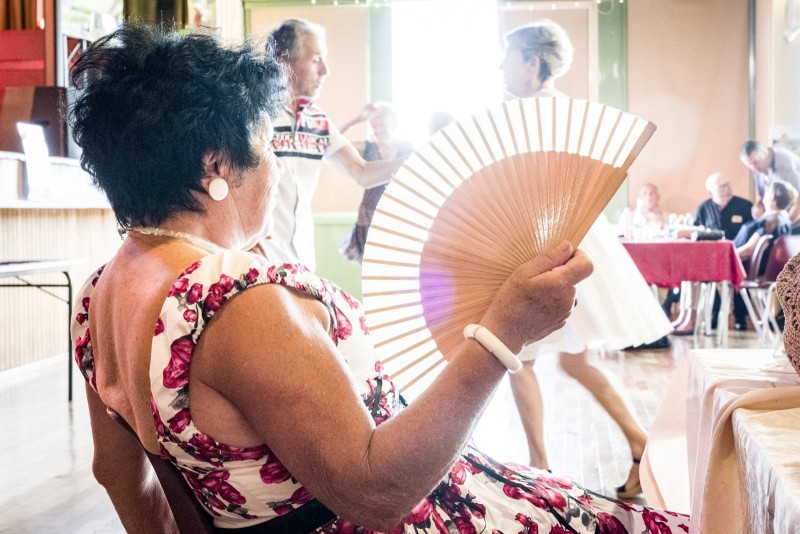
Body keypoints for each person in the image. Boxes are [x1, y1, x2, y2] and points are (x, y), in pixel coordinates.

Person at [68, 24, 690, 533]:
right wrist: (503, 333)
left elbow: (121, 478)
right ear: (217, 165)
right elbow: (375, 492)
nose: (278, 169)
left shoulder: (98, 294)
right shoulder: (237, 303)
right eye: (267, 147)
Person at [499, 19, 673, 500]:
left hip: (548, 240)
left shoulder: (534, 115)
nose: (501, 68)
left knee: (520, 358)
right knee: (570, 362)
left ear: (532, 62)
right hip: (571, 238)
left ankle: (539, 468)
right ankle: (639, 443)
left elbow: (537, 184)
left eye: (507, 57)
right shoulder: (566, 111)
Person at [260, 19, 405, 271]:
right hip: (261, 261)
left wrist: (412, 163)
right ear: (283, 63)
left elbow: (361, 172)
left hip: (302, 262)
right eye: (316, 59)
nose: (325, 70)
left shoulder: (319, 121)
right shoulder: (257, 116)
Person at [670, 172, 754, 334]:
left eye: (728, 185)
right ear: (710, 192)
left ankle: (740, 317)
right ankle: (701, 317)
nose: (726, 189)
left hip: (739, 256)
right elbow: (694, 233)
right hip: (709, 260)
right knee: (691, 271)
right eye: (721, 187)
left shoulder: (745, 206)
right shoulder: (703, 208)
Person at [337, 101, 414, 263]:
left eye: (382, 126)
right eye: (375, 126)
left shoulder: (407, 148)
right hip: (370, 212)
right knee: (373, 264)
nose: (378, 130)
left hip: (399, 213)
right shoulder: (367, 147)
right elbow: (333, 140)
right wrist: (357, 120)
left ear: (393, 125)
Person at [733, 179, 796, 261]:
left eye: (768, 191)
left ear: (773, 197)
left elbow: (748, 251)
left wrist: (724, 256)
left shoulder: (772, 221)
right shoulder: (782, 220)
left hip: (740, 267)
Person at [740, 139, 800, 221]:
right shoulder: (757, 169)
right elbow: (764, 194)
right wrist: (758, 206)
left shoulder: (785, 164)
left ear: (764, 153)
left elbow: (798, 199)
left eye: (755, 163)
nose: (754, 168)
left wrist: (785, 224)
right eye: (749, 165)